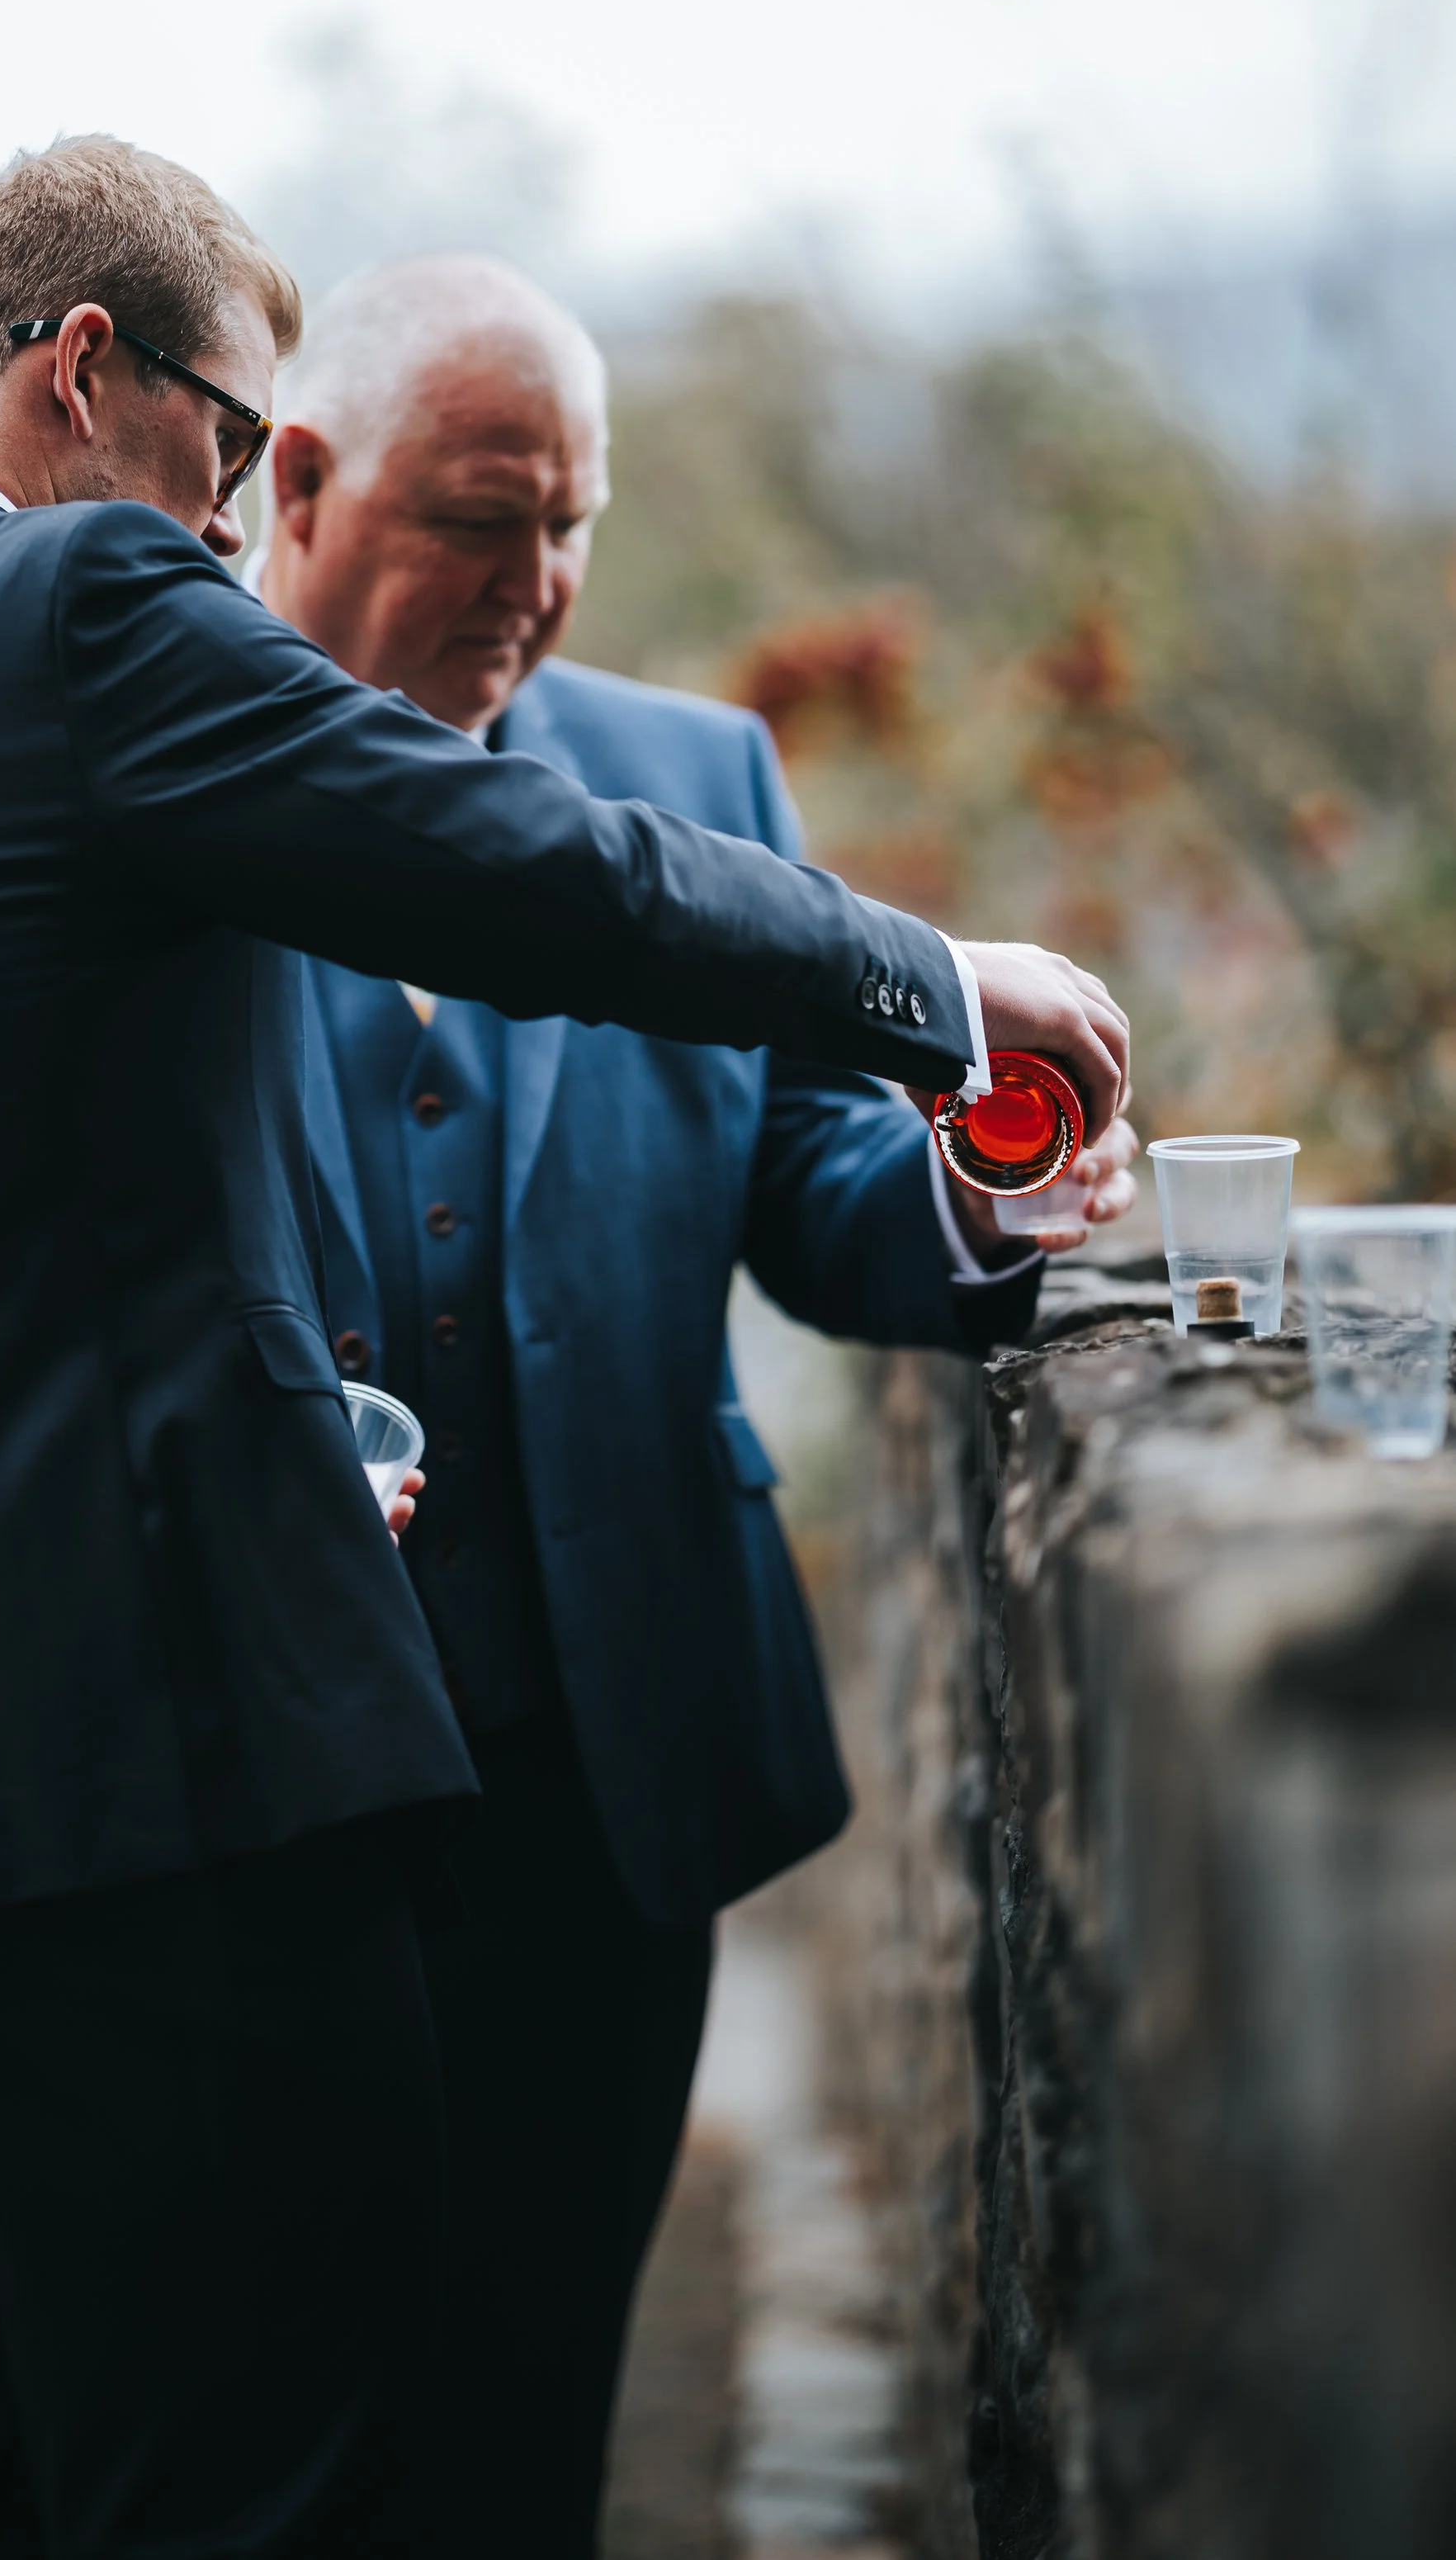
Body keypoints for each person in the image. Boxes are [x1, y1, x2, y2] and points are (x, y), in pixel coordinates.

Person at [0, 140, 1130, 2560]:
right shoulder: (71, 601)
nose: (222, 536)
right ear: (85, 375)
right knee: (274, 2494)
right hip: (165, 1802)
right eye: (220, 452)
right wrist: (927, 983)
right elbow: (524, 867)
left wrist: (4, 1469)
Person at [255, 253, 1139, 2560]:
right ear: (302, 477)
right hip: (269, 1792)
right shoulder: (166, 801)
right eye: (477, 514)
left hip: (607, 1762)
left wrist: (963, 1185)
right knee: (280, 2419)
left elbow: (811, 1187)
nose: (535, 583)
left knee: (537, 2392)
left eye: (571, 521)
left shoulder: (688, 774)